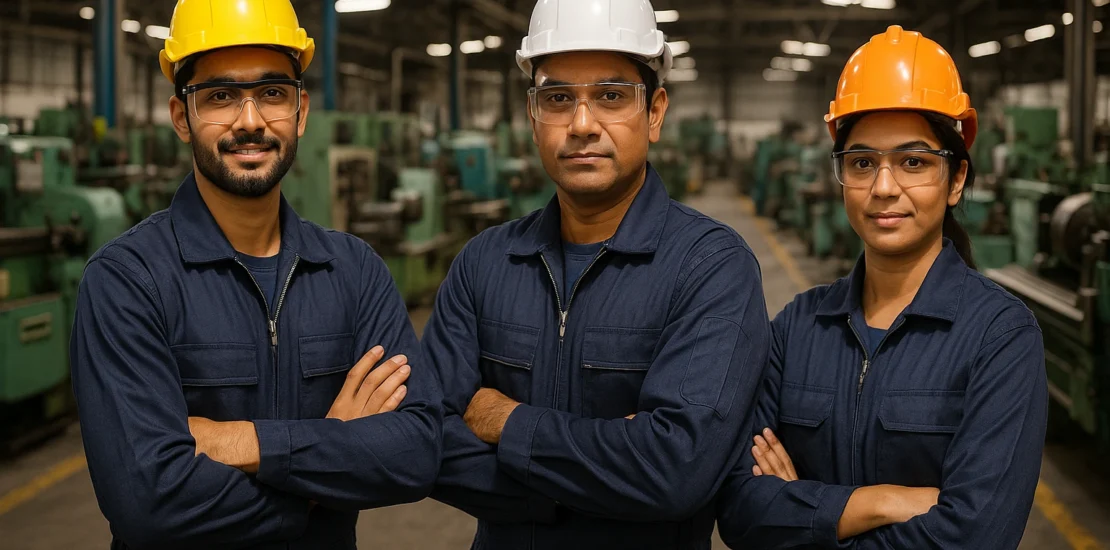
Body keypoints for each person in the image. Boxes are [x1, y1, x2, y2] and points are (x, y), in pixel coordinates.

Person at [69, 1, 442, 547]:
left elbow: (416, 453)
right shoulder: (127, 281)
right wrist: (332, 454)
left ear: (301, 111)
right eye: (220, 96)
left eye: (272, 93)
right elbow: (147, 504)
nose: (250, 121)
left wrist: (240, 443)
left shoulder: (354, 270)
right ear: (181, 116)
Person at [422, 1, 770, 548]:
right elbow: (425, 443)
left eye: (611, 97)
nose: (582, 125)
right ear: (533, 115)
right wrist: (597, 481)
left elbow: (677, 470)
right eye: (558, 98)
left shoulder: (710, 267)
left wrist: (505, 422)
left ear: (655, 113)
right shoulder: (484, 263)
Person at [715, 25, 1047, 549]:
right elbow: (737, 509)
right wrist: (879, 501)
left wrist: (804, 510)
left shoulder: (999, 337)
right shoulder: (797, 328)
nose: (884, 187)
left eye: (914, 162)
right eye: (863, 162)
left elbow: (977, 535)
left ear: (956, 179)